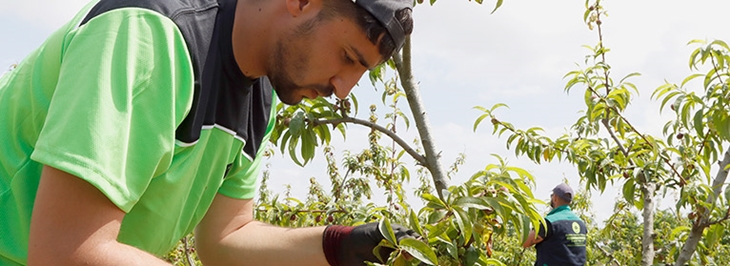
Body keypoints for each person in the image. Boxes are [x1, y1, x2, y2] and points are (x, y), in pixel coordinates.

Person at [0, 0, 416, 265]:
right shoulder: (149, 34)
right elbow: (64, 252)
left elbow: (225, 238)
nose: (342, 90)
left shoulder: (260, 95)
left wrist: (338, 244)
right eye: (347, 57)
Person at [522, 183, 587, 266]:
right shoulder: (581, 224)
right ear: (570, 202)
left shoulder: (550, 222)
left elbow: (525, 242)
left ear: (555, 198)